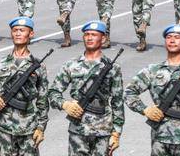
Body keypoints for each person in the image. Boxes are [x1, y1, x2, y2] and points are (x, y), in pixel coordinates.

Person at [125, 24, 180, 156]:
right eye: (169, 37)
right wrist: (145, 109)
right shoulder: (152, 70)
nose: (172, 40)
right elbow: (129, 92)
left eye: (177, 37)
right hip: (159, 136)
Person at [0, 16, 49, 155]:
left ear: (30, 34)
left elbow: (43, 100)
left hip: (29, 129)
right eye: (15, 30)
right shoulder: (0, 64)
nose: (18, 33)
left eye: (22, 30)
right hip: (5, 129)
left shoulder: (38, 67)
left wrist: (41, 127)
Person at [48, 20, 124, 156]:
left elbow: (117, 102)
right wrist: (65, 104)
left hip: (103, 131)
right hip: (78, 130)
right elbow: (53, 92)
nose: (89, 38)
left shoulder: (112, 68)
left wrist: (116, 132)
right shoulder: (71, 65)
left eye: (94, 34)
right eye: (87, 34)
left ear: (103, 38)